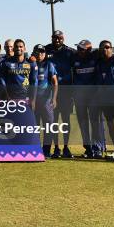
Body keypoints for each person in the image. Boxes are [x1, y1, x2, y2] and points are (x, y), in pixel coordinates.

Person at [72, 40, 105, 159]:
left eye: (82, 49)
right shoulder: (74, 57)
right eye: (78, 48)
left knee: (96, 123)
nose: (79, 51)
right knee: (83, 123)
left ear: (89, 49)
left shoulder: (96, 56)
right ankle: (89, 149)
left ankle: (98, 149)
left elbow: (110, 54)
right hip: (79, 97)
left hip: (94, 97)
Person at [45, 30, 75, 158]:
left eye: (59, 38)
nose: (57, 40)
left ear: (63, 38)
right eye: (54, 37)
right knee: (54, 121)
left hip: (66, 91)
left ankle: (66, 147)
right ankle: (56, 148)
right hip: (50, 92)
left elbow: (84, 56)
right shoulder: (46, 49)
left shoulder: (70, 52)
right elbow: (34, 57)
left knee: (66, 120)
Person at [33, 44, 58, 158]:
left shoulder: (49, 64)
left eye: (42, 52)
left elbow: (55, 82)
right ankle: (36, 150)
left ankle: (46, 151)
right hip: (33, 101)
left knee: (49, 126)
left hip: (46, 101)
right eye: (37, 51)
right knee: (35, 126)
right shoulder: (30, 64)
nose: (40, 54)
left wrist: (54, 98)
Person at [0, 39, 38, 106]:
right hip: (10, 98)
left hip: (26, 98)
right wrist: (7, 95)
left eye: (21, 46)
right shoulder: (6, 63)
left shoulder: (31, 63)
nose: (18, 48)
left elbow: (34, 82)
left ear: (25, 48)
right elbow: (2, 80)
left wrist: (33, 100)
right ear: (13, 49)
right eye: (16, 47)